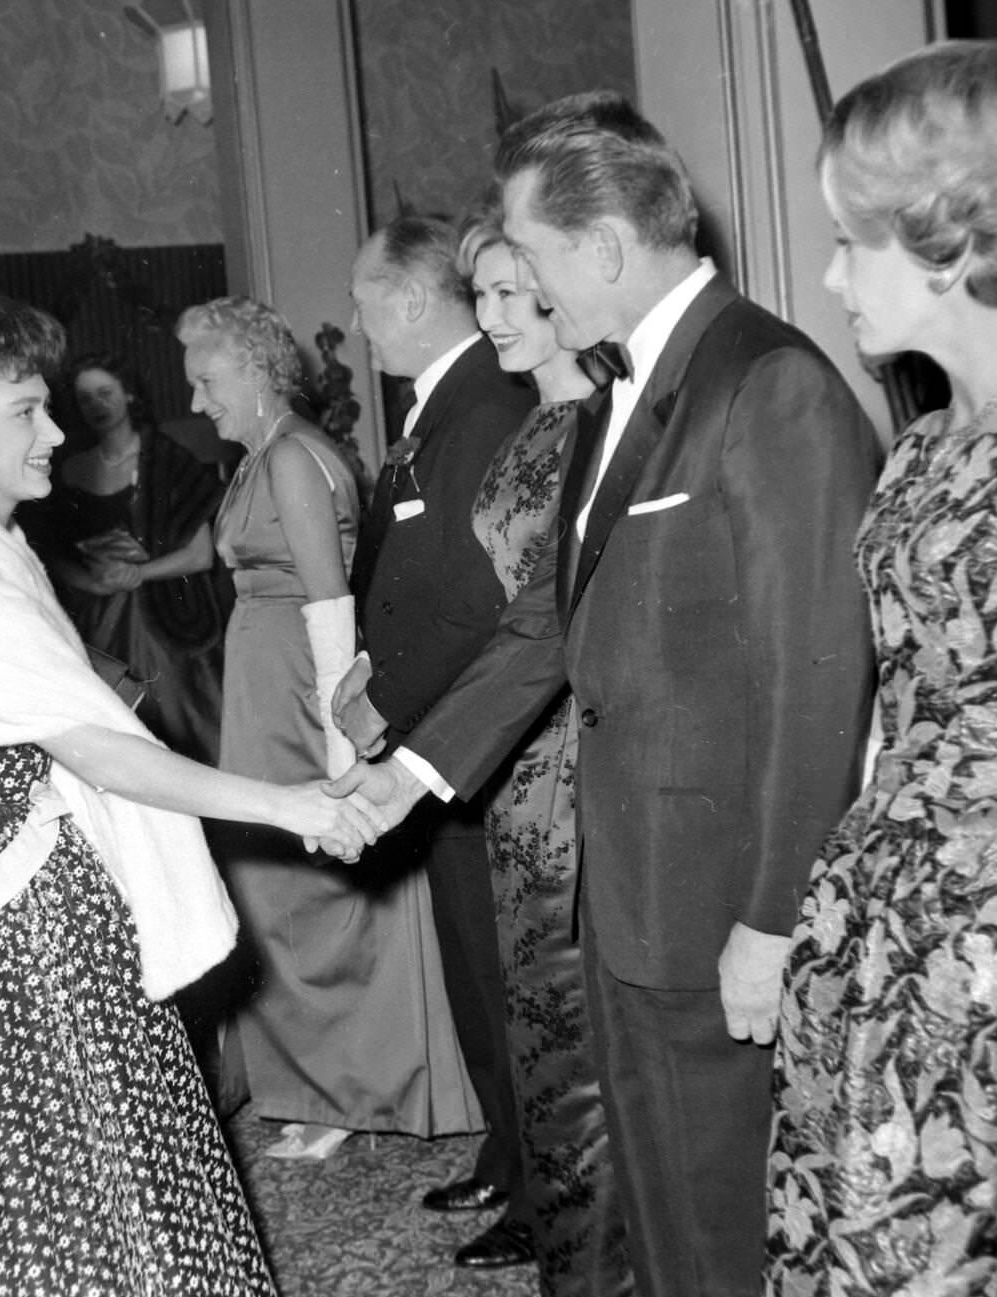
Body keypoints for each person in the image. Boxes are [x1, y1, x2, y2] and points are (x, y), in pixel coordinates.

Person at [328, 93, 881, 1297]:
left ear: (604, 248)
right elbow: (547, 624)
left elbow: (818, 677)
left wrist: (773, 919)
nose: (516, 289)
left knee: (729, 1231)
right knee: (661, 1216)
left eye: (528, 257)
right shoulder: (616, 391)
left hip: (718, 901)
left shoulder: (766, 382)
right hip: (621, 895)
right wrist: (408, 777)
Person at [0, 283, 380, 1295]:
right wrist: (291, 805)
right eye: (27, 410)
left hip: (0, 859)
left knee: (69, 1159)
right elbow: (102, 751)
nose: (58, 431)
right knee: (32, 1168)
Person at [759, 39, 997, 1294]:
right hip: (875, 928)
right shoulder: (922, 445)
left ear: (945, 246)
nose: (831, 274)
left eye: (853, 243)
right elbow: (895, 710)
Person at [176, 296, 478, 1162]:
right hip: (266, 692)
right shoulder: (267, 453)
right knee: (282, 895)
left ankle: (347, 1087)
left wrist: (341, 744)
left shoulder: (291, 458)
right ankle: (316, 1082)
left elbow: (330, 606)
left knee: (312, 898)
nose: (196, 402)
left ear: (255, 369)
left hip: (300, 701)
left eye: (206, 381)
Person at [335, 214, 539, 1270]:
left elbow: (476, 595)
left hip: (471, 735)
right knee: (472, 963)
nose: (357, 325)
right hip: (440, 729)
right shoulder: (446, 401)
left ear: (411, 298)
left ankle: (540, 1188)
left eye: (365, 301)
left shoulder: (487, 402)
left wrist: (389, 700)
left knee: (502, 970)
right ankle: (509, 1153)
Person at [457, 208, 632, 1296]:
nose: (491, 316)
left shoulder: (598, 427)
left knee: (579, 1042)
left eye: (511, 292)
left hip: (572, 757)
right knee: (542, 1031)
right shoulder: (531, 425)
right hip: (518, 763)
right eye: (478, 295)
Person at [43, 352, 224, 764]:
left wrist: (138, 573)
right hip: (94, 618)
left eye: (105, 392)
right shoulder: (69, 470)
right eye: (85, 398)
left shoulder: (169, 460)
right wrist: (91, 581)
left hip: (167, 617)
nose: (97, 405)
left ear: (128, 394)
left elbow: (200, 555)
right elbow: (52, 557)